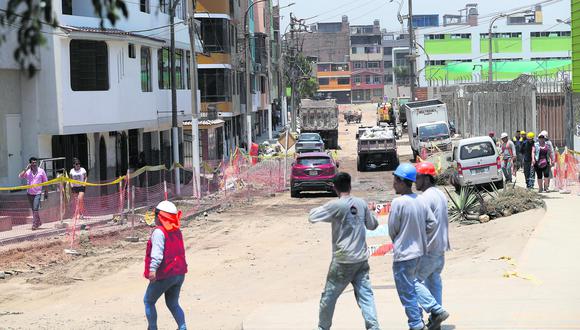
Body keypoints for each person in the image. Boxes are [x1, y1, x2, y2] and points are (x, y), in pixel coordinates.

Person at [309, 172, 381, 330]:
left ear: (335, 188)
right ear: (350, 185)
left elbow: (312, 217)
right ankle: (373, 327)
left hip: (342, 261)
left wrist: (331, 213)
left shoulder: (336, 205)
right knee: (366, 296)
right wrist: (372, 211)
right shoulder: (361, 204)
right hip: (361, 259)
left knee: (329, 297)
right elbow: (373, 225)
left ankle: (323, 327)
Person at [389, 163, 435, 330]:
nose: (393, 183)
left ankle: (416, 324)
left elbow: (392, 230)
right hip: (419, 253)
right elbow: (432, 223)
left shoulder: (398, 203)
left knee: (406, 292)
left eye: (395, 180)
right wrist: (420, 236)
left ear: (401, 181)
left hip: (403, 254)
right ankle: (434, 308)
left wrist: (401, 239)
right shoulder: (421, 200)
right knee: (414, 284)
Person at [414, 162, 451, 330]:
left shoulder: (425, 198)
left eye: (417, 177)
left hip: (428, 248)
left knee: (411, 281)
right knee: (433, 280)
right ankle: (436, 319)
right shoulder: (440, 194)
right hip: (441, 246)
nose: (415, 181)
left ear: (426, 178)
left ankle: (435, 310)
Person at [143, 201, 188, 330]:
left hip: (165, 274)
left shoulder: (159, 232)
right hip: (179, 273)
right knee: (173, 303)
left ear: (159, 217)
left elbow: (157, 254)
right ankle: (182, 327)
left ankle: (152, 328)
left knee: (148, 301)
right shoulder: (177, 231)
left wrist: (152, 270)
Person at [18, 157, 48, 230]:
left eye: (35, 162)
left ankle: (34, 224)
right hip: (29, 193)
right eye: (33, 163)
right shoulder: (28, 172)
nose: (34, 164)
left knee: (35, 208)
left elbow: (46, 182)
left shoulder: (41, 171)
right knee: (34, 210)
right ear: (30, 164)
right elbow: (20, 176)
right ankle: (39, 221)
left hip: (38, 193)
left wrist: (46, 192)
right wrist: (26, 168)